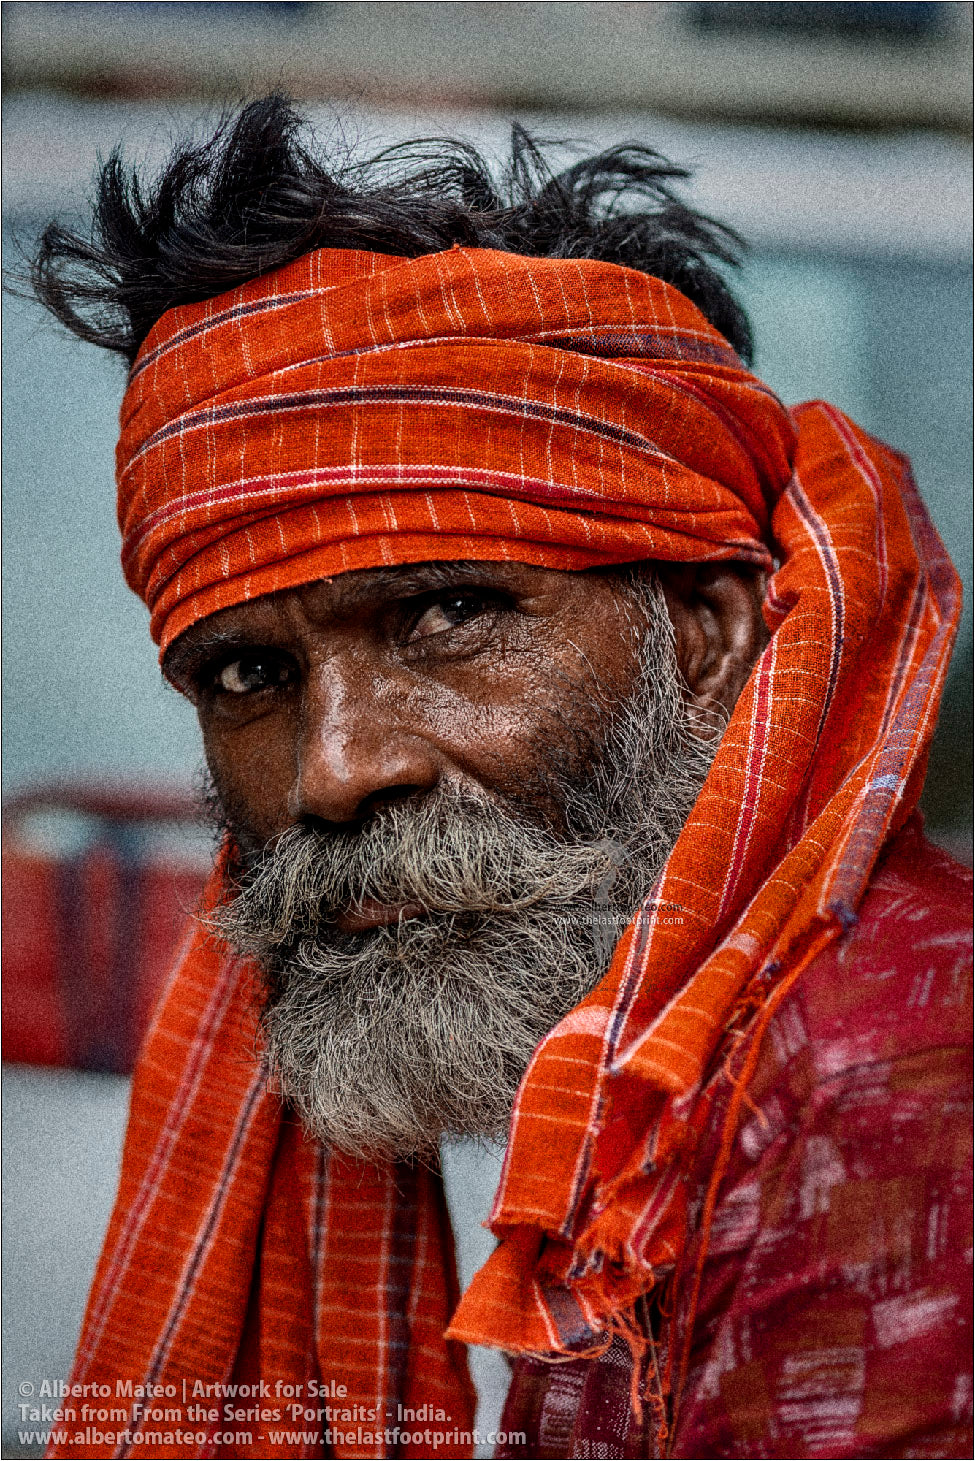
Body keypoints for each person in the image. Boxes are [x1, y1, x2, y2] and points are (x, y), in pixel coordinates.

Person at [33, 97, 971, 1460]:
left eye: (447, 615)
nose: (335, 771)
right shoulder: (654, 1110)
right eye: (247, 674)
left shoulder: (881, 1098)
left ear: (708, 637)